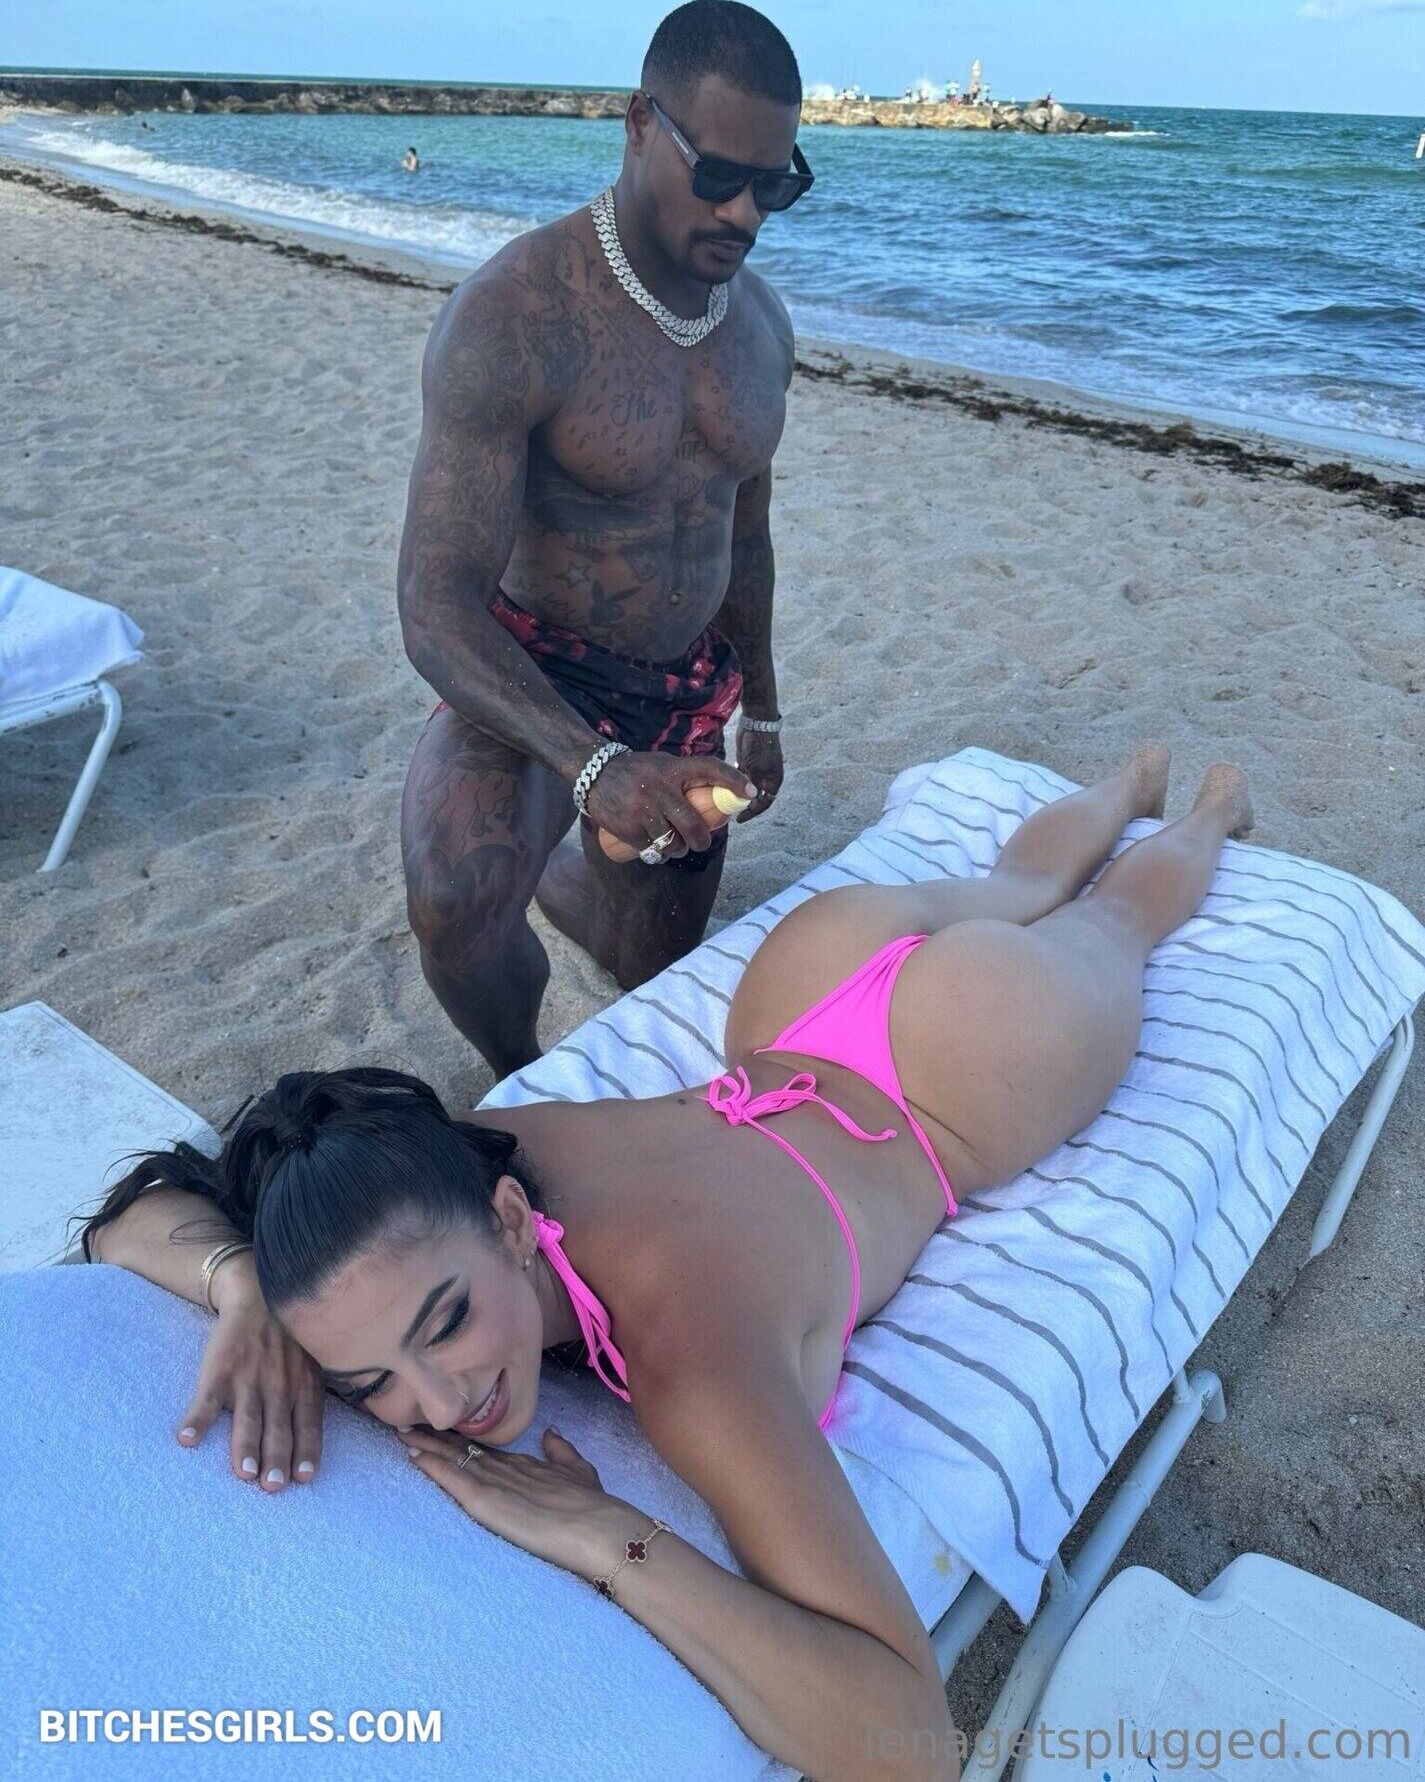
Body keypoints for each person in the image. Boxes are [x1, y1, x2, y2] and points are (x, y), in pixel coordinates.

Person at [81, 742, 1256, 1779]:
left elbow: (905, 1739)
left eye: (445, 1325)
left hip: (959, 1079)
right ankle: (1130, 785)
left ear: (508, 1219)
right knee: (1016, 890)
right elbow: (127, 1221)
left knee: (1116, 923)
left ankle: (1209, 811)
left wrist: (615, 1542)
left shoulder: (690, 1352)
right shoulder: (423, 1177)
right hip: (792, 1002)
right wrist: (244, 1285)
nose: (439, 1403)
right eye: (368, 1380)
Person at [398, 0, 812, 1078]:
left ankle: (571, 866)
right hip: (534, 670)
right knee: (456, 901)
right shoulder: (513, 318)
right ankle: (517, 1069)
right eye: (718, 175)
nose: (745, 214)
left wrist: (763, 706)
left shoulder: (762, 327)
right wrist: (592, 767)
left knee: (650, 969)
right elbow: (435, 603)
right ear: (637, 124)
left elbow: (747, 535)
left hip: (681, 684)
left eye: (774, 185)